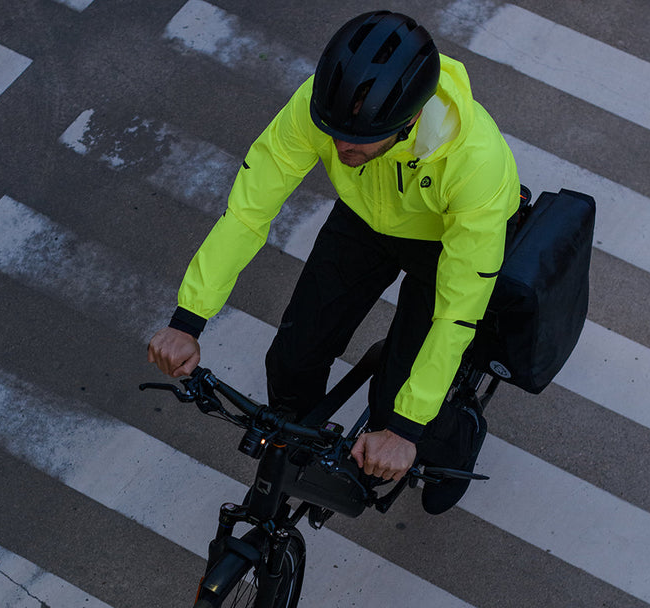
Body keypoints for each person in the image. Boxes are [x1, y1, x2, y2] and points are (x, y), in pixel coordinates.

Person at [148, 11, 519, 488]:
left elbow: (459, 311)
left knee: (398, 407)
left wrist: (405, 430)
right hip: (364, 218)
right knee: (291, 360)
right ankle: (301, 453)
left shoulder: (475, 163)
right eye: (335, 129)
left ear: (412, 120)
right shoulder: (316, 107)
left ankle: (459, 435)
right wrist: (188, 319)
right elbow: (247, 211)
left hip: (444, 242)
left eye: (363, 137)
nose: (343, 146)